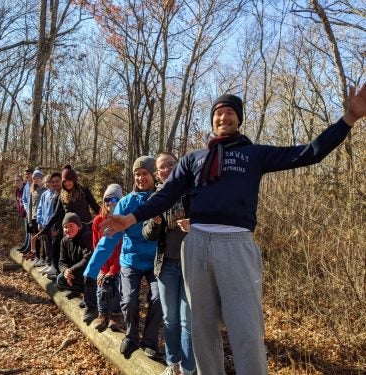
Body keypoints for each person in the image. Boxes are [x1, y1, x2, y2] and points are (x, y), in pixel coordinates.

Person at [97, 86, 366, 375]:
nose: (223, 117)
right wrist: (132, 217)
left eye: (229, 112)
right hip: (196, 244)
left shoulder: (254, 154)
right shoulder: (193, 159)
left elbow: (308, 153)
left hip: (236, 244)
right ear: (211, 121)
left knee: (245, 326)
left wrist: (348, 119)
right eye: (218, 113)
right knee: (201, 327)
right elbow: (167, 194)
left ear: (238, 119)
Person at [84, 156, 162, 360]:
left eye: (145, 173)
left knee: (159, 297)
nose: (140, 177)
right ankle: (131, 336)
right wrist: (91, 271)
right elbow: (109, 239)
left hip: (156, 260)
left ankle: (150, 341)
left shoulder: (162, 199)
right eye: (137, 174)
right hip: (131, 260)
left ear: (153, 174)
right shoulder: (126, 203)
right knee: (129, 300)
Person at [142, 153, 195, 375]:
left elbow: (211, 221)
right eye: (162, 167)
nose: (166, 169)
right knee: (170, 318)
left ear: (179, 165)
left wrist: (195, 224)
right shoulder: (156, 197)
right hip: (166, 266)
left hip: (191, 263)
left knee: (187, 320)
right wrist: (155, 223)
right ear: (157, 173)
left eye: (171, 165)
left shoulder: (193, 190)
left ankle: (188, 367)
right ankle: (172, 363)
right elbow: (147, 234)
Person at [90, 184, 124, 332]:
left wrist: (113, 270)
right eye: (107, 199)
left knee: (116, 284)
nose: (110, 202)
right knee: (101, 283)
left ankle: (115, 315)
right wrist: (102, 269)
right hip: (104, 263)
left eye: (115, 198)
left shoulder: (124, 220)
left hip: (119, 263)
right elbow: (97, 246)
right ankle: (103, 314)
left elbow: (121, 248)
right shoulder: (98, 220)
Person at [56, 212, 98, 324]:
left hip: (90, 274)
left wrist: (71, 270)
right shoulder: (64, 241)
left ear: (78, 226)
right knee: (60, 279)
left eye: (71, 226)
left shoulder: (87, 236)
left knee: (89, 277)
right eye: (65, 227)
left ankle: (93, 302)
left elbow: (87, 259)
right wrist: (65, 271)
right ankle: (84, 292)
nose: (68, 229)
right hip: (76, 273)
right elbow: (61, 262)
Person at [37, 173, 62, 276]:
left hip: (54, 225)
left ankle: (54, 265)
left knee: (54, 245)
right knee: (47, 245)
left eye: (50, 182)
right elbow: (40, 208)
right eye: (46, 182)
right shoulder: (45, 194)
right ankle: (48, 263)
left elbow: (56, 213)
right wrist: (40, 221)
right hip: (45, 223)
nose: (48, 184)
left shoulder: (57, 194)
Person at [25, 168, 46, 264]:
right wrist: (29, 221)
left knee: (43, 239)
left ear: (41, 178)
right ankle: (37, 256)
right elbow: (29, 206)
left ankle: (44, 258)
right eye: (34, 178)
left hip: (42, 219)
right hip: (33, 218)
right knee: (36, 238)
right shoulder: (32, 190)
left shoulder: (45, 190)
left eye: (38, 178)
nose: (36, 180)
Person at [18, 168, 34, 253]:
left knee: (32, 232)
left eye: (28, 174)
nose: (27, 176)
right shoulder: (26, 186)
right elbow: (24, 199)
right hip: (28, 211)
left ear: (32, 174)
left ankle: (31, 249)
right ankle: (26, 246)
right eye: (25, 174)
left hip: (34, 212)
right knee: (28, 230)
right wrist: (27, 209)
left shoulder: (35, 184)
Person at [14, 175, 27, 249]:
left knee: (29, 231)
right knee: (26, 231)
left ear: (22, 181)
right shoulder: (16, 190)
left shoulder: (26, 188)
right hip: (22, 214)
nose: (17, 182)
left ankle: (28, 247)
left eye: (19, 180)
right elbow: (17, 201)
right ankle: (26, 245)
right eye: (16, 180)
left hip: (28, 214)